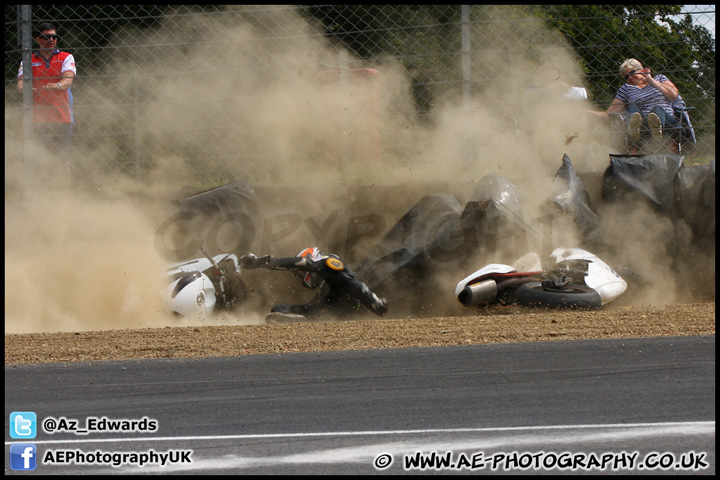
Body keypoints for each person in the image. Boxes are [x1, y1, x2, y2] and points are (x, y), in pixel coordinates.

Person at [240, 247, 388, 321]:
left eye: (300, 273)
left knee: (333, 274)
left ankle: (304, 323)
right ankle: (303, 322)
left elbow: (354, 285)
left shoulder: (327, 262)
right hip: (333, 310)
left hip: (349, 303)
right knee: (278, 310)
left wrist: (259, 262)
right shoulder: (327, 281)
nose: (300, 277)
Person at [17, 22, 77, 178]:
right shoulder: (28, 60)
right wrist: (32, 89)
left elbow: (68, 80)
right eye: (46, 37)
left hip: (62, 117)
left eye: (54, 36)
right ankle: (43, 194)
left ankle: (64, 196)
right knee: (39, 160)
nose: (51, 39)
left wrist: (57, 85)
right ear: (38, 39)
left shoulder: (66, 57)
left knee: (63, 161)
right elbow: (21, 86)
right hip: (37, 118)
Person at [587, 58, 680, 152]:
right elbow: (609, 114)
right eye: (626, 77)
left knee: (657, 109)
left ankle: (657, 131)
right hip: (644, 125)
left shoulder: (659, 78)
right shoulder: (626, 89)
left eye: (631, 73)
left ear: (642, 70)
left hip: (667, 122)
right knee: (631, 108)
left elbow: (673, 95)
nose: (629, 78)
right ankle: (635, 131)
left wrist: (650, 80)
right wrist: (584, 112)